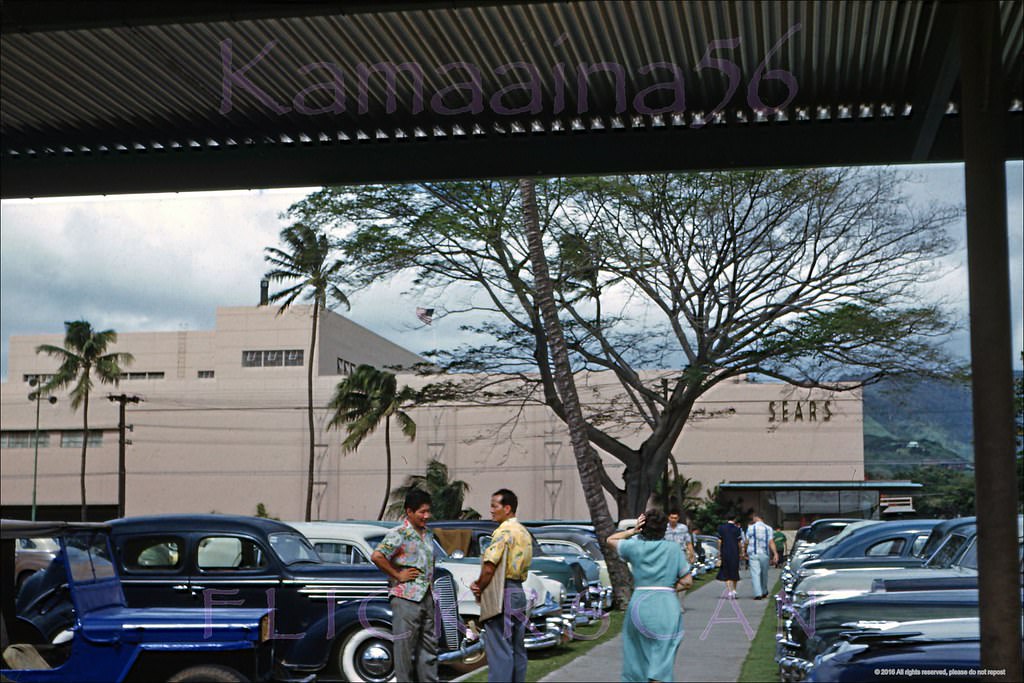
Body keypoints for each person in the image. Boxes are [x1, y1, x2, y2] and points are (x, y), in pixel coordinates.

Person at [608, 510, 691, 683]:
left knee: (636, 654)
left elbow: (611, 539)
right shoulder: (674, 549)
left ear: (643, 527)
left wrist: (633, 530)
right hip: (666, 604)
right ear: (664, 528)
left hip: (640, 602)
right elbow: (687, 581)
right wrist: (670, 588)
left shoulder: (634, 546)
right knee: (663, 656)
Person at [371, 489, 438, 683]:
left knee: (429, 650)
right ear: (409, 511)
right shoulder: (399, 534)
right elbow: (377, 556)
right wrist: (397, 574)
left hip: (426, 596)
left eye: (428, 511)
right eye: (422, 512)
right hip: (406, 598)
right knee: (405, 651)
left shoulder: (428, 534)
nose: (426, 516)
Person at [470, 489, 532, 683]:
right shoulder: (523, 531)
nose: (491, 510)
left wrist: (478, 585)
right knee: (517, 648)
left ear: (507, 508)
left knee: (499, 649)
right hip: (518, 591)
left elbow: (490, 566)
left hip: (502, 591)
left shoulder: (503, 532)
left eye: (494, 506)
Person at [664, 509, 696, 613]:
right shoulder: (664, 528)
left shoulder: (683, 528)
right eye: (671, 517)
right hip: (667, 556)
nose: (673, 520)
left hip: (681, 555)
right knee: (671, 580)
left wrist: (692, 554)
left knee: (684, 580)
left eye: (675, 518)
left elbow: (688, 542)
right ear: (668, 518)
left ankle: (680, 603)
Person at [743, 512, 779, 600]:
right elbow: (771, 541)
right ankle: (764, 591)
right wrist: (775, 553)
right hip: (764, 553)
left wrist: (744, 551)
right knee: (764, 573)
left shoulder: (751, 528)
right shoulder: (768, 528)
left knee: (755, 573)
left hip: (753, 553)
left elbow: (746, 541)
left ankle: (757, 593)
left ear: (756, 518)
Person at [716, 515, 743, 599]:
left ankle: (729, 590)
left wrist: (719, 551)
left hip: (725, 551)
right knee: (734, 570)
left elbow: (719, 541)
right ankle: (734, 589)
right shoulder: (737, 529)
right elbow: (739, 543)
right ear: (734, 519)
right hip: (734, 552)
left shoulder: (721, 528)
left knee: (726, 571)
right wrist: (741, 552)